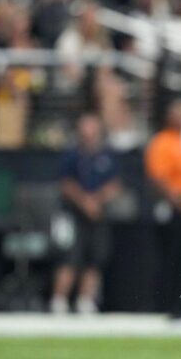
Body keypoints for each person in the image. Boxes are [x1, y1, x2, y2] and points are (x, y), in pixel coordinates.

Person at [50, 112, 122, 314]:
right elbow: (66, 183)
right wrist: (85, 202)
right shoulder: (72, 155)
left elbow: (115, 184)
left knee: (96, 258)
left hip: (99, 215)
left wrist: (96, 201)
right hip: (73, 214)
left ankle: (86, 299)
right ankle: (59, 299)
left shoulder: (107, 156)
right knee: (69, 258)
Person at [144, 99, 181, 318]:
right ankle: (171, 305)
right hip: (174, 207)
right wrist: (180, 201)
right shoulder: (163, 141)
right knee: (174, 258)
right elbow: (158, 178)